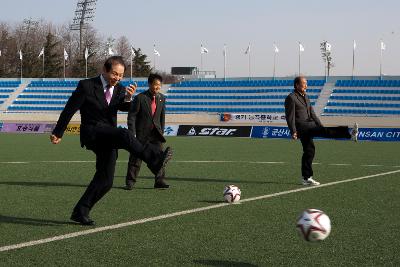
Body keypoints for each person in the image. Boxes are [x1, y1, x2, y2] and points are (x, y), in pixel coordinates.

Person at [50, 56, 173, 226]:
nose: (118, 78)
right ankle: (155, 160)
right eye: (115, 74)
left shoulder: (120, 89)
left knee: (106, 181)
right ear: (105, 70)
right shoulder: (86, 86)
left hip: (108, 136)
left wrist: (129, 98)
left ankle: (80, 211)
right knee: (124, 135)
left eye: (121, 75)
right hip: (92, 132)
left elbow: (122, 107)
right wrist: (59, 131)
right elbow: (69, 109)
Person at [284, 76, 358, 186]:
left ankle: (306, 178)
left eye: (306, 83)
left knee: (309, 151)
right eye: (304, 83)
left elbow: (312, 113)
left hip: (311, 125)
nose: (306, 85)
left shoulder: (306, 96)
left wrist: (320, 125)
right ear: (297, 85)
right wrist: (293, 131)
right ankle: (349, 134)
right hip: (303, 127)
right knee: (323, 135)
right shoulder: (291, 97)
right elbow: (290, 116)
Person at [125, 73, 169, 190]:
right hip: (141, 134)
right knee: (136, 158)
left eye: (159, 85)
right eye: (155, 85)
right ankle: (130, 182)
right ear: (149, 84)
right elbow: (132, 116)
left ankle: (159, 181)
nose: (157, 87)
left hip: (156, 135)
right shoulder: (140, 98)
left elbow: (162, 117)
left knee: (160, 158)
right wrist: (132, 132)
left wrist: (161, 131)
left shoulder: (162, 98)